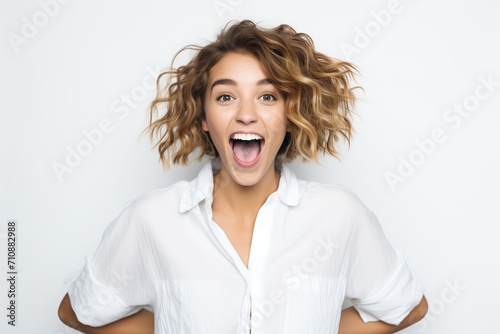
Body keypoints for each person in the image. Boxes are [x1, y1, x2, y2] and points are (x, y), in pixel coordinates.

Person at [58, 20, 428, 334]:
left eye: (267, 97)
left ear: (290, 115)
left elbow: (406, 305)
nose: (246, 114)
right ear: (203, 118)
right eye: (225, 97)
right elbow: (78, 310)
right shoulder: (152, 219)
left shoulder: (339, 215)